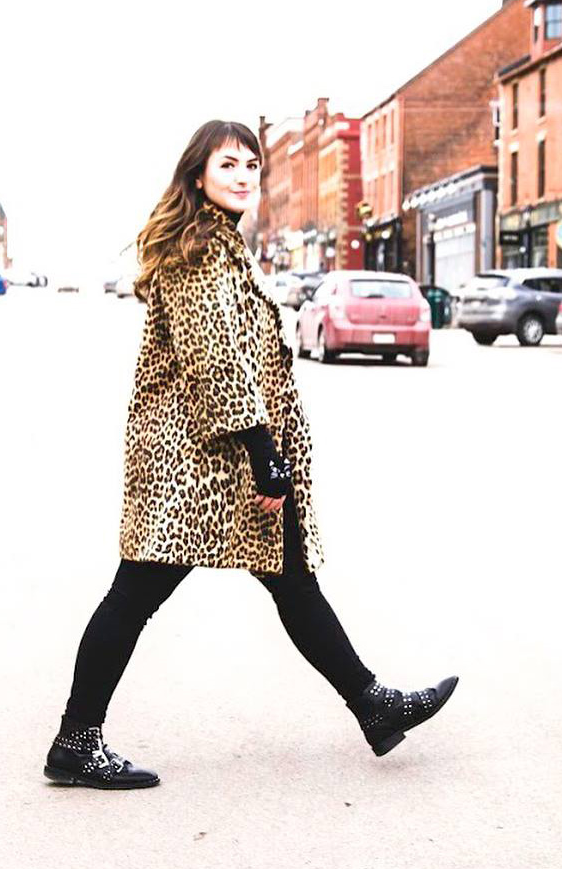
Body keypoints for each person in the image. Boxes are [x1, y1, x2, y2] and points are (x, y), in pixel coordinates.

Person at [44, 120, 457, 789]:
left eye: (251, 167)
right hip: (192, 463)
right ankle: (76, 740)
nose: (244, 176)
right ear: (198, 174)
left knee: (291, 578)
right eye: (228, 164)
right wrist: (264, 454)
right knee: (133, 596)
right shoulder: (197, 249)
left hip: (221, 453)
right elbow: (216, 361)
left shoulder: (223, 247)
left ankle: (374, 706)